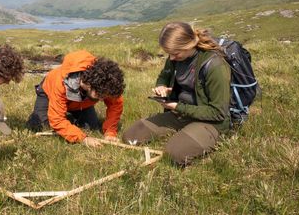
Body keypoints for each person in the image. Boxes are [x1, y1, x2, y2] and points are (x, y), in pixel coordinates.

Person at [123, 22, 231, 165]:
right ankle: (185, 131)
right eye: (169, 54)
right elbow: (164, 76)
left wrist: (177, 106)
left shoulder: (215, 66)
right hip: (180, 113)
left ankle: (198, 136)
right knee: (131, 137)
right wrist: (161, 86)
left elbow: (218, 112)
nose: (172, 58)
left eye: (175, 53)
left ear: (189, 45)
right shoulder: (175, 58)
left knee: (174, 154)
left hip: (210, 121)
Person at [27, 50, 125, 148]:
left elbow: (115, 105)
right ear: (89, 85)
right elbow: (57, 120)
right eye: (101, 96)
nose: (102, 99)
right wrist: (83, 138)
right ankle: (57, 117)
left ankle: (68, 120)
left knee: (91, 127)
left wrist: (110, 133)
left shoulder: (107, 83)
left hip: (81, 103)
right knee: (41, 125)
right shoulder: (61, 82)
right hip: (48, 93)